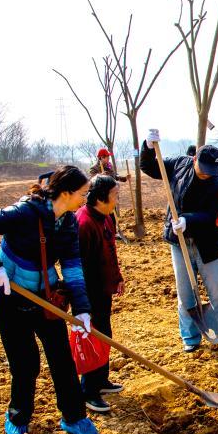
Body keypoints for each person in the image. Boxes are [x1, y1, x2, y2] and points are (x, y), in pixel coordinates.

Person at [0, 166, 99, 434]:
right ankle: (18, 415)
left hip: (46, 296)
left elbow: (72, 267)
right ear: (66, 192)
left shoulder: (68, 222)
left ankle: (73, 417)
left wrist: (82, 309)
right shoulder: (25, 213)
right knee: (24, 361)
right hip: (10, 294)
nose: (85, 199)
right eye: (83, 193)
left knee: (61, 357)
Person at [141, 131, 218, 351]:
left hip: (208, 243)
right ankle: (190, 339)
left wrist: (188, 220)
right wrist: (147, 147)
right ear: (195, 160)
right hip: (179, 242)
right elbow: (149, 167)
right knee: (185, 293)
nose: (207, 175)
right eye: (203, 170)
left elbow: (213, 214)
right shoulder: (179, 165)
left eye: (211, 171)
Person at [75, 175, 125, 413]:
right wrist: (81, 302)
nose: (117, 199)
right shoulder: (83, 224)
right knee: (92, 339)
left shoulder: (106, 218)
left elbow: (110, 252)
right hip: (89, 293)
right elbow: (78, 267)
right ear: (101, 197)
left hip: (103, 289)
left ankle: (101, 380)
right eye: (115, 194)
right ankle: (89, 390)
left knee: (104, 333)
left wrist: (116, 278)